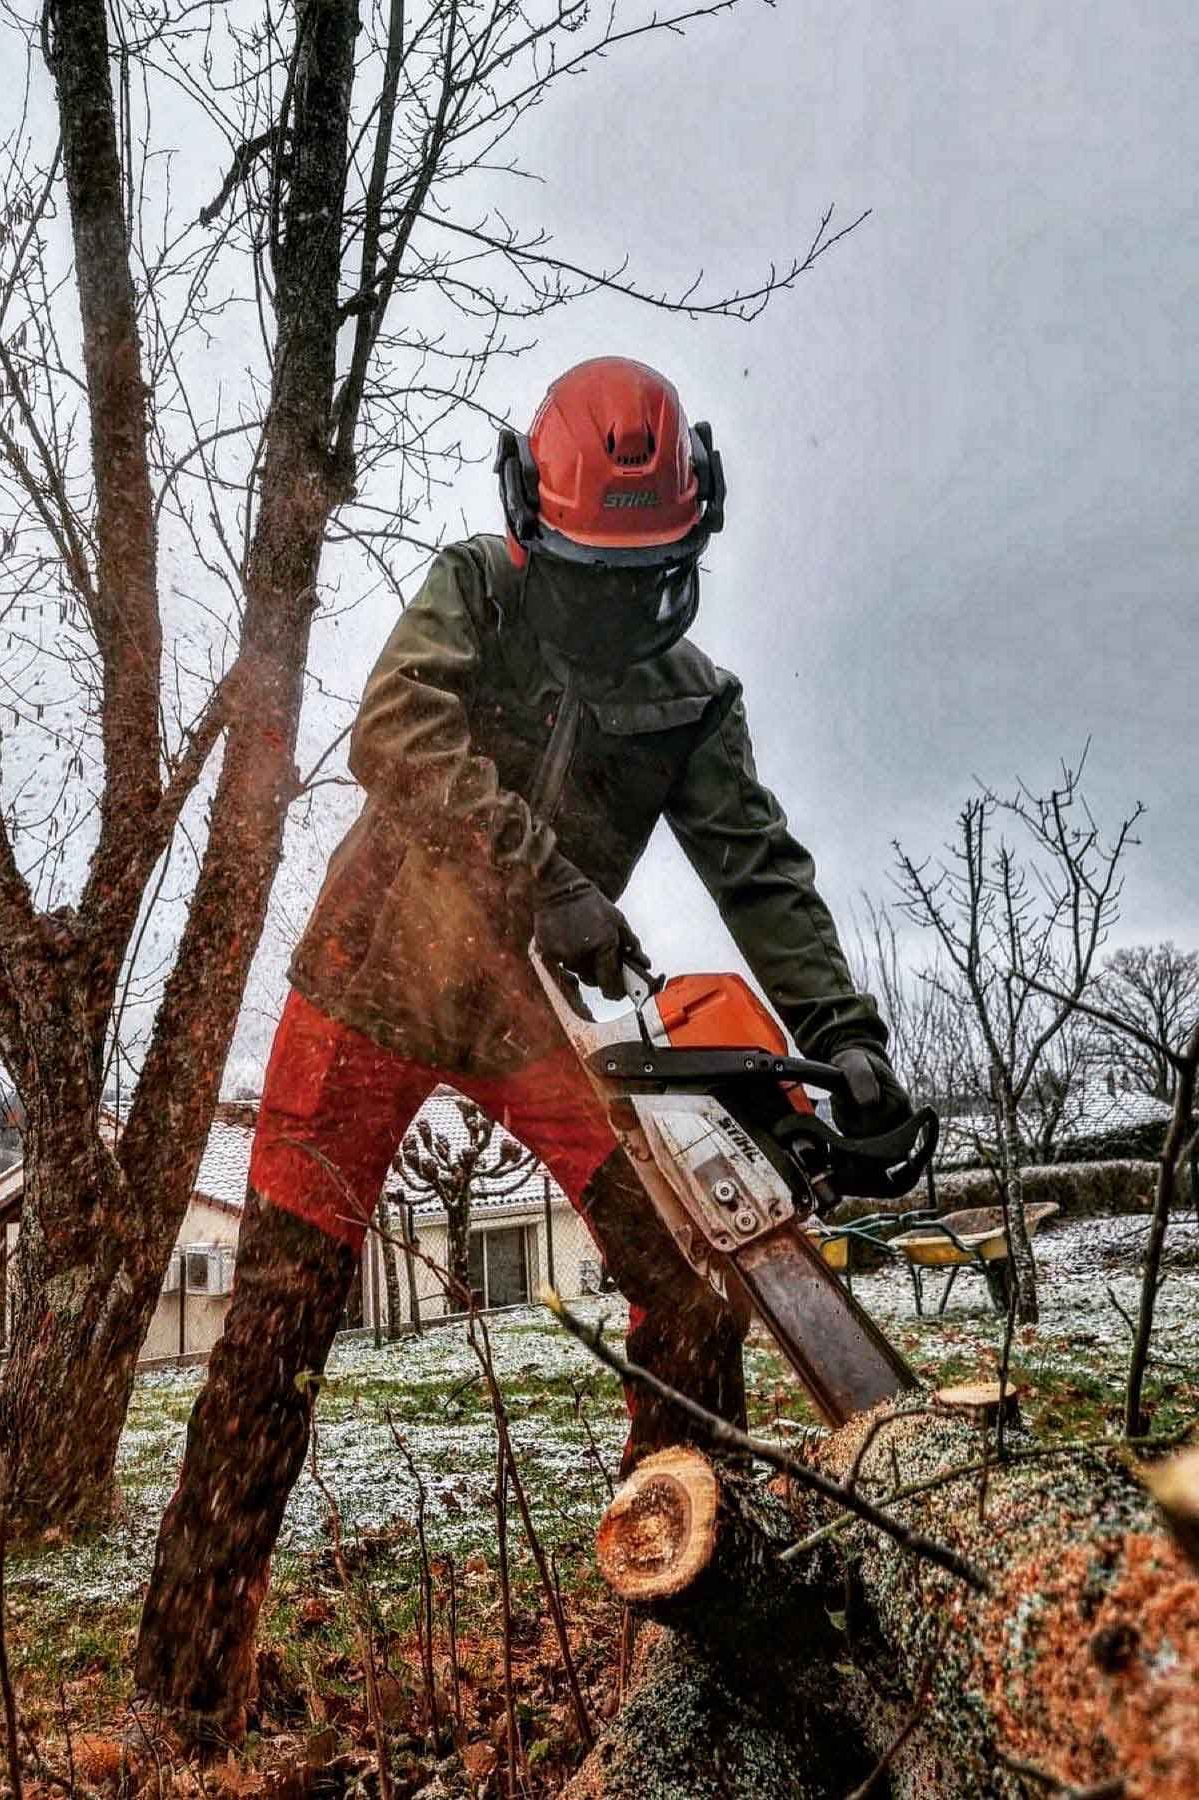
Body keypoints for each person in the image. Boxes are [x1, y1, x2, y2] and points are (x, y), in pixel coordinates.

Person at [133, 357, 911, 1726]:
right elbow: (396, 725)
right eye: (595, 576)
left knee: (690, 1285)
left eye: (643, 577)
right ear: (536, 527)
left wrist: (847, 1040)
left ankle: (673, 1657)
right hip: (370, 980)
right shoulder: (477, 589)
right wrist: (543, 868)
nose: (615, 604)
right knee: (279, 1322)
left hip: (530, 1012)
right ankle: (191, 1694)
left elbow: (763, 873)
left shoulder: (692, 696)